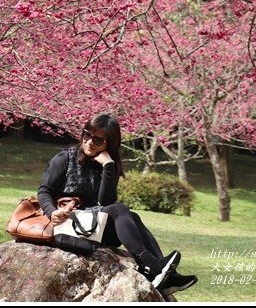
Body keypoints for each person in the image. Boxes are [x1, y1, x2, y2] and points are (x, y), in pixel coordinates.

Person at [38, 113, 198, 296]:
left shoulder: (108, 164)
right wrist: (52, 212)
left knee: (133, 217)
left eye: (98, 140)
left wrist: (107, 167)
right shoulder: (65, 158)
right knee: (120, 209)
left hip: (95, 228)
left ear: (109, 144)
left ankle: (163, 274)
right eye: (87, 134)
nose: (89, 142)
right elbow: (44, 191)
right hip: (70, 226)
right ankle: (152, 265)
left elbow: (105, 201)